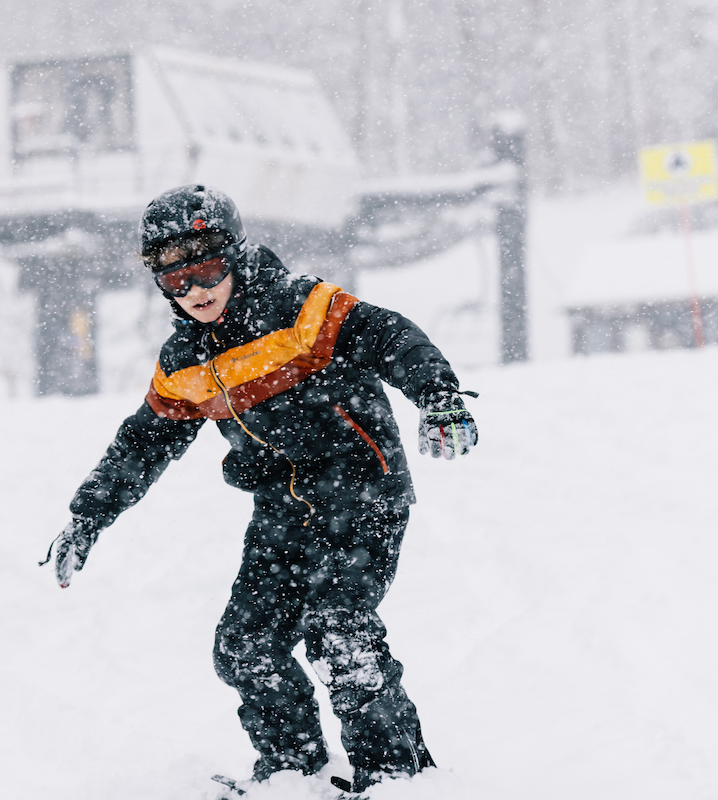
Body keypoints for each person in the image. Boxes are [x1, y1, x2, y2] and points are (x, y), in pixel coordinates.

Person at [43, 186, 477, 793]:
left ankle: (394, 775)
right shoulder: (185, 359)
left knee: (339, 631)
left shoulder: (299, 307)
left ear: (236, 253)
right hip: (283, 511)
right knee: (245, 645)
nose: (195, 290)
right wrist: (88, 516)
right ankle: (293, 771)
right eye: (174, 279)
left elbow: (389, 337)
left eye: (206, 268)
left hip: (360, 495)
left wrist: (438, 397)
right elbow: (144, 442)